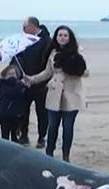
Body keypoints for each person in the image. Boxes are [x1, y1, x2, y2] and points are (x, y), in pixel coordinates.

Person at [23, 25, 88, 162]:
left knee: (68, 126)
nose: (62, 38)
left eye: (65, 35)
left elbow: (85, 72)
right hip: (54, 93)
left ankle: (66, 156)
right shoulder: (53, 53)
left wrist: (72, 66)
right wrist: (31, 79)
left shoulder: (77, 52)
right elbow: (47, 73)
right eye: (60, 35)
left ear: (70, 38)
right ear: (56, 37)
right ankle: (49, 154)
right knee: (52, 126)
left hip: (72, 94)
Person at [12, 16, 51, 147]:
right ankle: (24, 135)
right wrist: (18, 74)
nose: (23, 28)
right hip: (25, 81)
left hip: (41, 83)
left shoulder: (45, 40)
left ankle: (41, 137)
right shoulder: (23, 40)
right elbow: (18, 59)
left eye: (25, 26)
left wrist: (39, 79)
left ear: (33, 26)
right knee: (22, 110)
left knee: (42, 112)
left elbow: (47, 63)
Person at [0, 64, 31, 141]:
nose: (12, 76)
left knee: (14, 137)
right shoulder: (3, 84)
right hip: (5, 115)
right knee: (5, 137)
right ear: (5, 76)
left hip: (15, 115)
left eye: (14, 74)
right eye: (10, 74)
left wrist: (27, 87)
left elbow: (26, 98)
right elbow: (12, 93)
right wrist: (21, 85)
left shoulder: (19, 84)